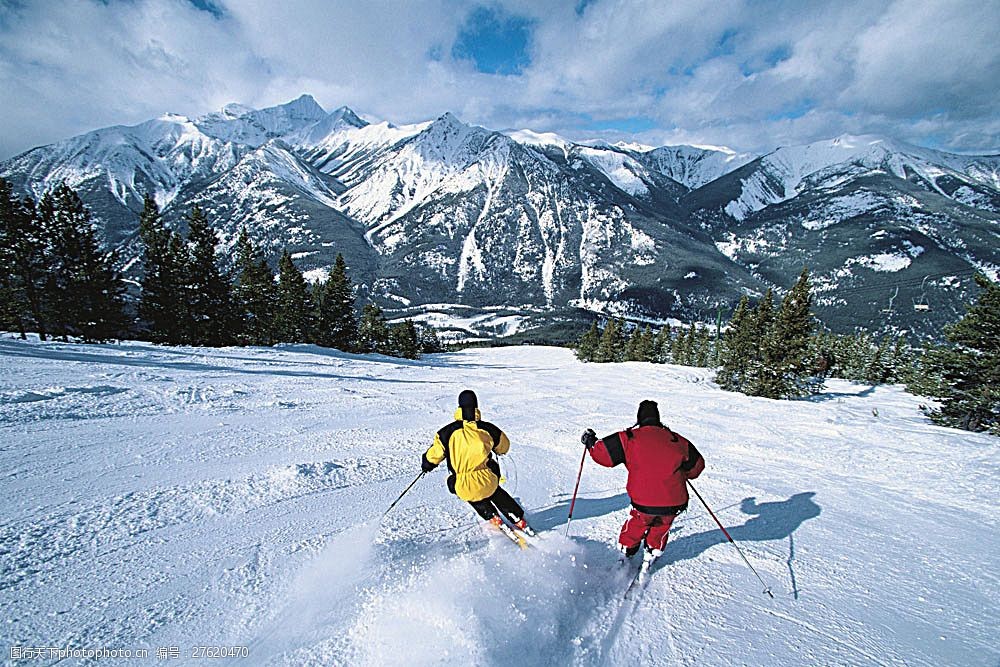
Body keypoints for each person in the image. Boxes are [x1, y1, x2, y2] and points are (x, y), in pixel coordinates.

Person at [581, 399, 704, 564]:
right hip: (674, 501)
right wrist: (683, 472)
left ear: (639, 418)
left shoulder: (629, 438)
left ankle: (627, 551)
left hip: (644, 501)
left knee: (638, 523)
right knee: (662, 525)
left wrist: (590, 441)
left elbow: (602, 455)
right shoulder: (676, 439)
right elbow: (697, 467)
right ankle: (653, 550)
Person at [422, 390, 534, 536]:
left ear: (459, 407)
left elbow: (432, 457)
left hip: (463, 485)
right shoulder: (487, 429)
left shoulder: (446, 433)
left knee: (461, 487)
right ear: (476, 407)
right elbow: (504, 447)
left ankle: (491, 516)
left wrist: (426, 465)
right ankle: (517, 518)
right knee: (493, 488)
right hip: (488, 482)